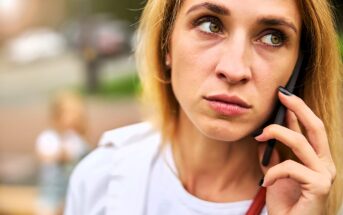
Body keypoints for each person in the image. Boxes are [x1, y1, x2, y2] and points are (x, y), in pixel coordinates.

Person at [65, 0, 343, 214]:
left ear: (298, 67)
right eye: (210, 25)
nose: (234, 69)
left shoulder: (317, 201)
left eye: (272, 37)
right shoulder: (100, 177)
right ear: (166, 44)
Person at [36, 91, 90, 215]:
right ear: (57, 116)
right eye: (70, 113)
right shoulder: (48, 138)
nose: (74, 118)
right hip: (49, 199)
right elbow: (46, 156)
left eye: (78, 114)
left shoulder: (78, 141)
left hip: (71, 198)